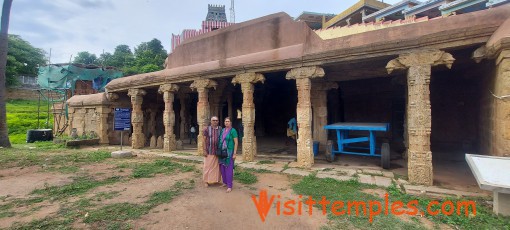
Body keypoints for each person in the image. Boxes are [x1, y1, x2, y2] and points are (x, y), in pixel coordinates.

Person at [218, 117, 238, 193]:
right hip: (222, 151)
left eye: (228, 121)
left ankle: (229, 186)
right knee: (222, 167)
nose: (226, 123)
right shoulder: (223, 130)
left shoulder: (233, 131)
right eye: (225, 121)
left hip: (229, 151)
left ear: (231, 123)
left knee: (228, 168)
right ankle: (225, 182)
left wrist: (235, 153)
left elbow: (236, 142)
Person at [202, 117, 222, 187]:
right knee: (207, 166)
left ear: (218, 121)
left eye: (216, 120)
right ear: (211, 121)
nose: (215, 122)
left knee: (216, 167)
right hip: (209, 151)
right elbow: (203, 140)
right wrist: (204, 150)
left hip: (217, 151)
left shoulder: (220, 129)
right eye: (213, 120)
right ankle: (206, 181)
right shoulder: (207, 129)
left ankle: (216, 180)